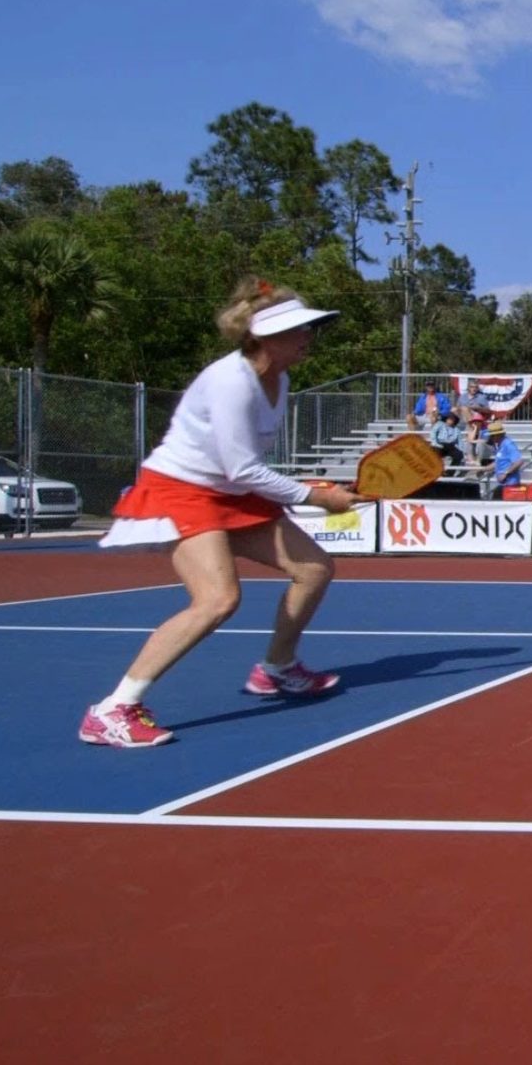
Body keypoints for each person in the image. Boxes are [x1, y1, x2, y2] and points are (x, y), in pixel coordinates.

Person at [85, 277, 361, 747]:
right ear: (263, 338)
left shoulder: (281, 379)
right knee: (217, 599)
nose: (308, 338)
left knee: (314, 568)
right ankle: (113, 709)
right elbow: (243, 466)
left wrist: (312, 488)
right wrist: (316, 497)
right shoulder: (230, 382)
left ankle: (276, 668)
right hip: (183, 488)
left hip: (230, 488)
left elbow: (243, 467)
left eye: (310, 329)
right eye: (299, 331)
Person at [477, 421, 524, 497]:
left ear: (497, 435)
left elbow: (519, 461)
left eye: (492, 436)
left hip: (510, 484)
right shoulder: (499, 445)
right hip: (503, 484)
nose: (490, 438)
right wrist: (483, 469)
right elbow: (497, 462)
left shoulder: (508, 444)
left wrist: (505, 473)